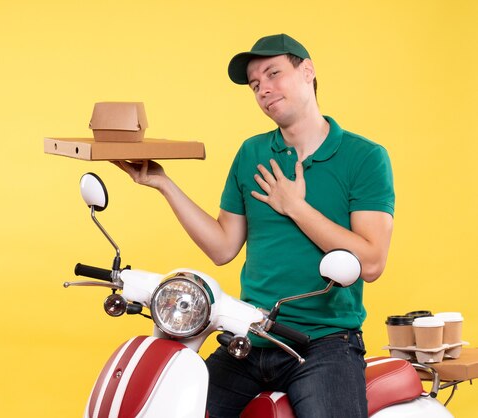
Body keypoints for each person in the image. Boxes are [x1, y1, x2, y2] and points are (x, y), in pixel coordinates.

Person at [114, 33, 394, 418]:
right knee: (174, 405)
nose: (264, 89)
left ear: (308, 72)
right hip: (251, 334)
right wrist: (162, 183)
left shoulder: (364, 157)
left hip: (324, 343)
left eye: (273, 73)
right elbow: (222, 247)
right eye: (255, 84)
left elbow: (373, 262)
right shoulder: (252, 153)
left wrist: (295, 206)